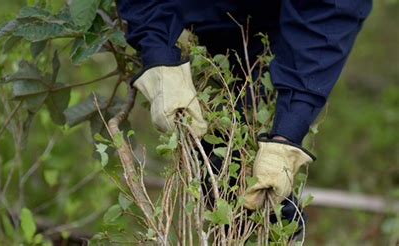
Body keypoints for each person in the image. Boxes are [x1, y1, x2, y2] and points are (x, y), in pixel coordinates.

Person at [117, 0, 372, 211]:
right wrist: (158, 56)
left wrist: (285, 139)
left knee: (263, 183)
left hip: (287, 19)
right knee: (218, 167)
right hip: (205, 12)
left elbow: (330, 14)